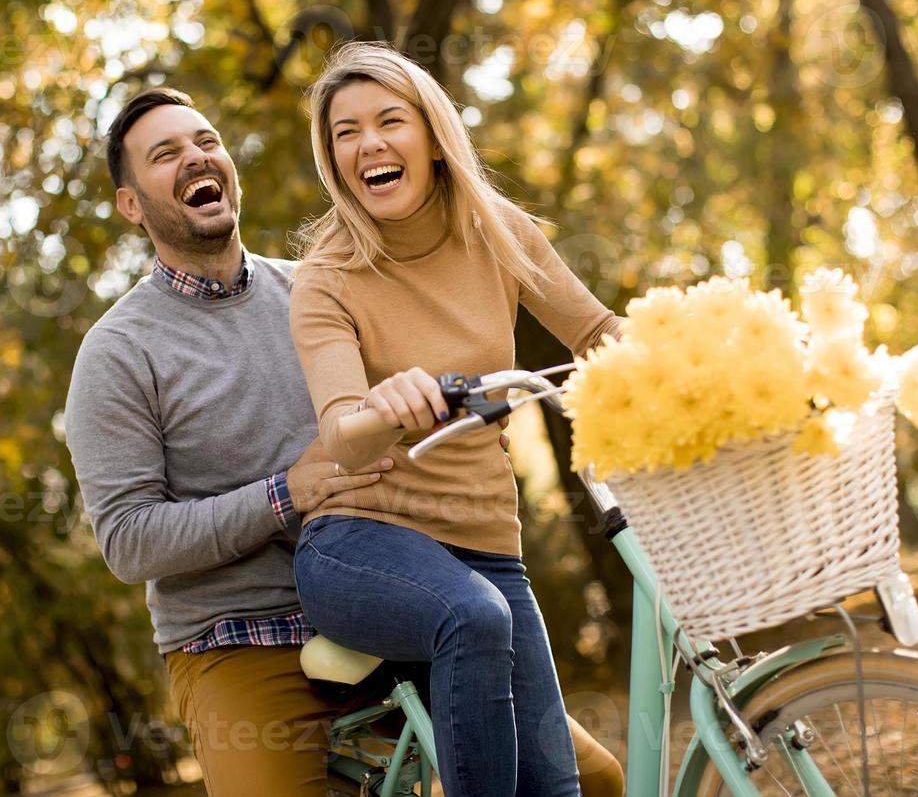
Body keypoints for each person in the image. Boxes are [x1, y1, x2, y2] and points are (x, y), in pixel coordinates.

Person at [63, 86, 625, 796]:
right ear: (132, 205)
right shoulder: (118, 352)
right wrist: (283, 496)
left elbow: (416, 392)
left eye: (206, 141)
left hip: (405, 589)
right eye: (164, 154)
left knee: (596, 780)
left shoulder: (316, 283)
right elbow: (129, 542)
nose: (195, 158)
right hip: (241, 634)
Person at [289, 42, 627, 797]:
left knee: (557, 788)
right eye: (345, 132)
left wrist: (706, 351)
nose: (368, 144)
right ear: (333, 157)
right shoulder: (326, 276)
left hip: (487, 548)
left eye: (388, 121)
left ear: (431, 135)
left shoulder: (495, 228)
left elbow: (596, 333)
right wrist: (382, 406)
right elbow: (341, 433)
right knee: (472, 617)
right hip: (359, 543)